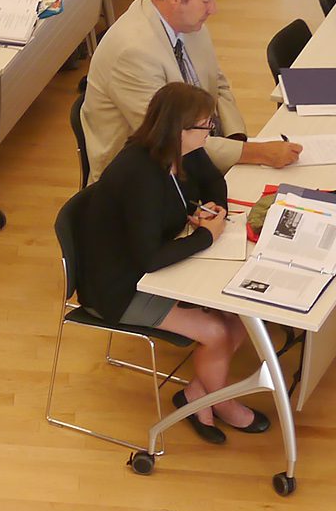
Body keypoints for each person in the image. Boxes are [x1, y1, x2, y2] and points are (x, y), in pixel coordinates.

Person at [74, 84, 268, 443]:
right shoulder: (139, 174)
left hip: (158, 263)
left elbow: (212, 182)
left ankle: (196, 395)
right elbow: (146, 257)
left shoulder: (183, 149)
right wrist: (206, 237)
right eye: (204, 126)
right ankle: (222, 402)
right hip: (120, 285)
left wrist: (214, 209)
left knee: (240, 317)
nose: (209, 132)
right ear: (178, 128)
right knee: (216, 333)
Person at [81, 0, 303, 183]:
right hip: (147, 178)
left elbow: (217, 83)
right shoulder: (132, 53)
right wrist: (257, 153)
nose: (213, 9)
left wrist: (237, 138)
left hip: (199, 151)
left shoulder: (187, 23)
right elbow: (170, 138)